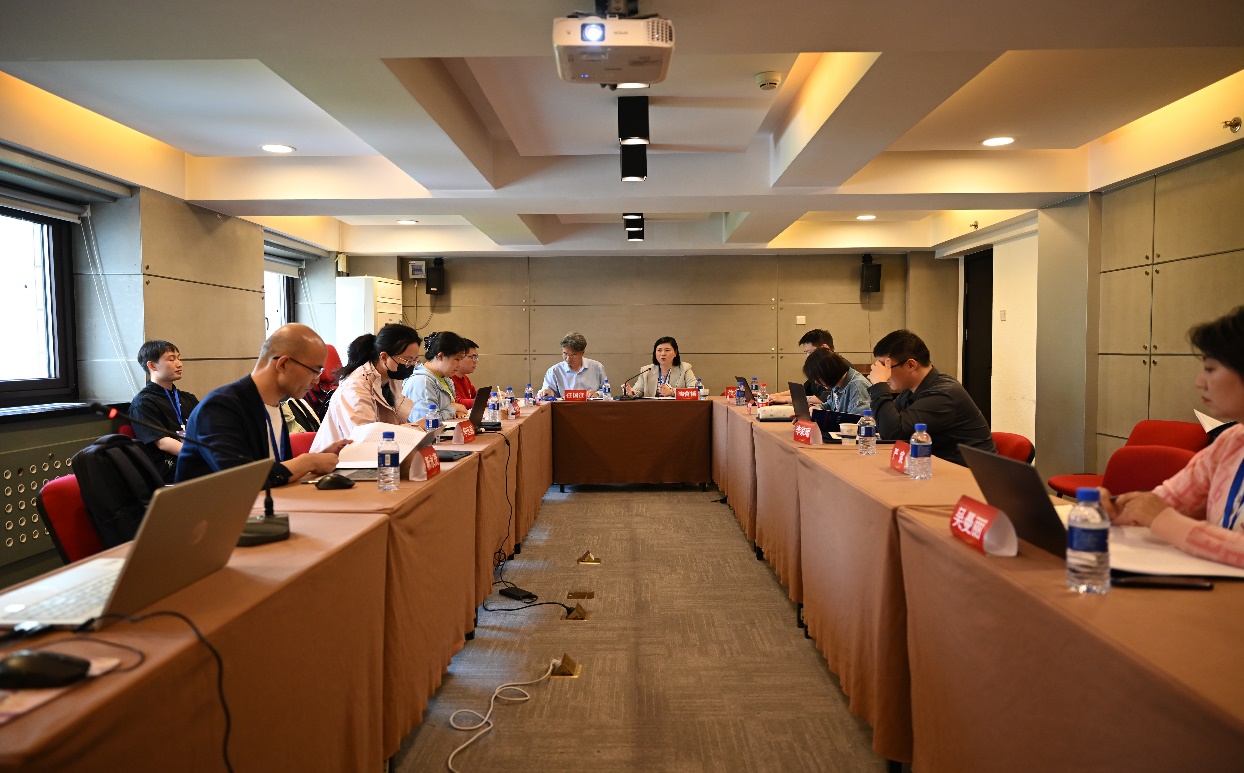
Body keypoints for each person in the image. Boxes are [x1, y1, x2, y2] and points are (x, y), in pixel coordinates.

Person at [1105, 306, 1244, 568]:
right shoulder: (1231, 442)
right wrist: (1113, 508)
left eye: (1210, 369)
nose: (1199, 382)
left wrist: (1165, 520)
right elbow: (1167, 500)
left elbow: (1161, 514)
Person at [176, 323, 349, 487]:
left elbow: (275, 472)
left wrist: (318, 459)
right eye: (315, 371)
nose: (317, 380)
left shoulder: (272, 405)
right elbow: (241, 478)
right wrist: (308, 462)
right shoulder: (220, 407)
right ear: (283, 364)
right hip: (213, 508)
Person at [866, 329, 995, 465]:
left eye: (886, 367)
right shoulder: (909, 391)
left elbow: (893, 433)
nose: (884, 374)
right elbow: (883, 425)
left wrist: (879, 385)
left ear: (911, 365)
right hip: (934, 469)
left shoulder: (944, 393)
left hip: (971, 473)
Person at [311, 323, 422, 453]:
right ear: (384, 357)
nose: (411, 366)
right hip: (337, 459)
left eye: (415, 360)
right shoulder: (355, 387)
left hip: (372, 455)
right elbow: (368, 439)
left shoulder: (392, 380)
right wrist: (417, 427)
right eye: (408, 360)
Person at [129, 340, 200, 483]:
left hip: (194, 460)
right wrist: (200, 454)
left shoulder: (188, 398)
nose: (179, 364)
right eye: (171, 359)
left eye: (179, 358)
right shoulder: (144, 402)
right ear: (152, 365)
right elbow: (163, 442)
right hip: (171, 468)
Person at [403, 331, 470, 421]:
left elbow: (446, 409)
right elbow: (426, 421)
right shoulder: (422, 381)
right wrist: (454, 408)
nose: (459, 364)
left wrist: (456, 412)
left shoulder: (446, 379)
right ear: (440, 356)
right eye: (457, 359)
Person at [770, 329, 836, 405]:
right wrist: (774, 396)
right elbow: (803, 391)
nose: (807, 357)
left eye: (810, 352)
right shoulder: (819, 367)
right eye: (806, 352)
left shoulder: (835, 367)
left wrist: (787, 399)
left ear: (824, 348)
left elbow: (824, 399)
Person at [801, 348, 874, 415]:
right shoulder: (838, 384)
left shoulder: (857, 386)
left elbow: (857, 420)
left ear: (829, 372)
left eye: (818, 378)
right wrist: (813, 409)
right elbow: (830, 405)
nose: (816, 382)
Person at [539, 331, 607, 398]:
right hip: (565, 405)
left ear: (582, 352)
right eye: (565, 354)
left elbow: (606, 391)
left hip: (591, 405)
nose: (568, 359)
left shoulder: (597, 367)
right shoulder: (554, 371)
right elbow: (544, 393)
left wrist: (597, 394)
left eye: (573, 355)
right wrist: (546, 393)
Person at [625, 336, 698, 397]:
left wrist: (672, 392)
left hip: (676, 408)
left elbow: (696, 392)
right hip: (652, 408)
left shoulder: (685, 369)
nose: (663, 354)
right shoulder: (646, 370)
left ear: (675, 353)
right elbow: (639, 391)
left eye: (667, 350)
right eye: (659, 350)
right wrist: (631, 392)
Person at [451, 339, 481, 408]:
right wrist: (485, 402)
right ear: (460, 356)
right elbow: (456, 402)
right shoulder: (448, 379)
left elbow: (476, 396)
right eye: (473, 357)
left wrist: (495, 396)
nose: (476, 361)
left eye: (476, 357)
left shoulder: (465, 378)